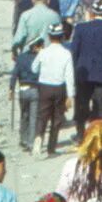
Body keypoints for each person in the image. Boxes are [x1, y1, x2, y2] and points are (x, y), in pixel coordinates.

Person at [69, 0, 102, 143]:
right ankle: (98, 137)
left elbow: (74, 53)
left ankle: (81, 135)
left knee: (81, 105)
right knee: (101, 107)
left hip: (83, 74)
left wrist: (73, 74)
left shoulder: (81, 29)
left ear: (92, 13)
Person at [31, 22, 76, 156]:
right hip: (59, 88)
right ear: (62, 36)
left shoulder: (43, 52)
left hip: (44, 87)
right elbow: (69, 76)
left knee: (42, 116)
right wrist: (70, 95)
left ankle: (38, 139)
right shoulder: (66, 53)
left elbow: (34, 69)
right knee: (57, 118)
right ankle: (51, 148)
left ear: (49, 37)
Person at [9, 39, 42, 152]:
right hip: (36, 90)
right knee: (34, 117)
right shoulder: (39, 59)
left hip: (23, 89)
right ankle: (31, 142)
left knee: (24, 115)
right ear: (36, 47)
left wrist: (11, 88)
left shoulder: (21, 58)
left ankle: (23, 138)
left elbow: (14, 74)